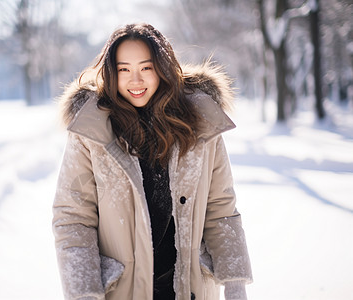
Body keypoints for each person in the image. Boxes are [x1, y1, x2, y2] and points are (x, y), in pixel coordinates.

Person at [52, 23, 252, 300]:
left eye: (146, 68)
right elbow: (73, 218)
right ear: (111, 73)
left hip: (189, 287)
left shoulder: (200, 125)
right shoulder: (91, 132)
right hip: (123, 290)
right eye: (124, 69)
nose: (136, 80)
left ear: (163, 67)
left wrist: (234, 283)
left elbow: (221, 209)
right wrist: (84, 292)